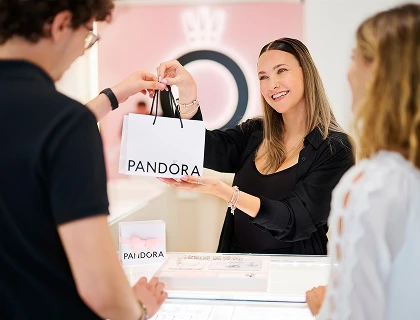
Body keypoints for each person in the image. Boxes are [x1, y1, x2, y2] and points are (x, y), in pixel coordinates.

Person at [0, 1, 168, 319]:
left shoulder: (58, 124)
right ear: (61, 24)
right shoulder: (64, 123)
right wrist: (140, 308)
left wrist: (114, 95)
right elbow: (101, 291)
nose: (82, 51)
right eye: (87, 36)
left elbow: (32, 136)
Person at [156, 38, 355, 255]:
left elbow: (294, 220)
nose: (272, 84)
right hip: (239, 272)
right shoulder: (255, 132)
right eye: (263, 77)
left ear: (306, 73)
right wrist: (187, 90)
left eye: (281, 71)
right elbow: (204, 149)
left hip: (296, 276)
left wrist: (226, 193)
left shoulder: (335, 149)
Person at [306, 3, 420, 319]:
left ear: (382, 73)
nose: (348, 71)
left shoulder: (371, 186)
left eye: (355, 56)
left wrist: (326, 309)